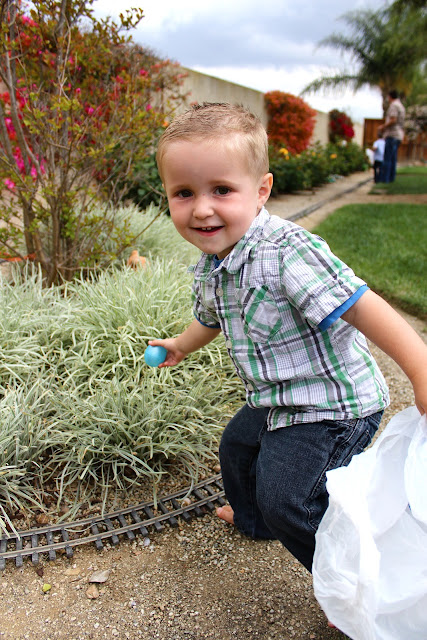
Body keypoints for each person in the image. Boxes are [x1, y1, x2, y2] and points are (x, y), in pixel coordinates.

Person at [150, 102, 427, 575]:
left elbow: (361, 305)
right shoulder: (213, 264)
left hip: (334, 406)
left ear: (261, 191)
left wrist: (420, 369)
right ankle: (255, 520)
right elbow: (212, 319)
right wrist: (181, 344)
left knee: (288, 497)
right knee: (238, 449)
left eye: (221, 190)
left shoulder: (286, 252)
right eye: (184, 193)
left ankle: (351, 580)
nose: (201, 208)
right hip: (279, 397)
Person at [378, 90, 405, 183]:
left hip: (392, 134)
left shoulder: (394, 105)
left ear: (390, 97)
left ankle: (385, 179)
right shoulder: (401, 106)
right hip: (399, 135)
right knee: (393, 159)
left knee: (387, 158)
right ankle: (391, 178)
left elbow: (393, 119)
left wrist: (383, 126)